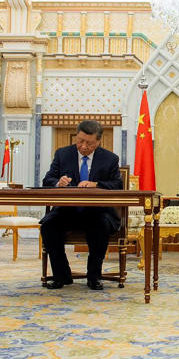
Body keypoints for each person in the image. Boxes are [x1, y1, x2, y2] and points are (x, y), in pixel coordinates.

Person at [40, 120, 122, 290]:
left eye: (89, 143)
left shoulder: (110, 159)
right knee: (48, 226)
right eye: (80, 141)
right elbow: (47, 180)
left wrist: (96, 184)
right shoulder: (63, 154)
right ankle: (62, 275)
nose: (83, 146)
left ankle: (94, 276)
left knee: (100, 227)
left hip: (97, 212)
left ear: (98, 141)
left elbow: (117, 185)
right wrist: (58, 183)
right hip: (67, 211)